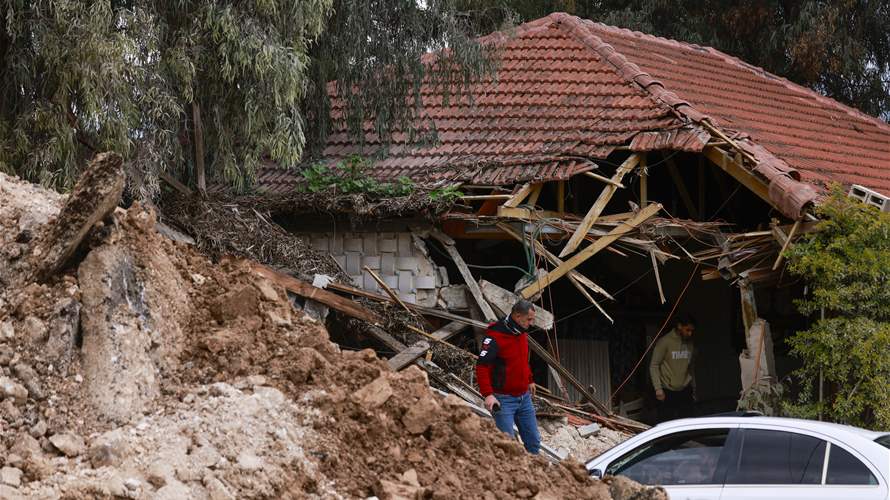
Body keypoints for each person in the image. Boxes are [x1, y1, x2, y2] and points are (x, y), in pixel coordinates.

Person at [475, 299, 541, 454]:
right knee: (507, 446)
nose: (531, 324)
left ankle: (534, 474)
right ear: (518, 316)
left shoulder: (521, 333)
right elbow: (482, 366)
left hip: (524, 397)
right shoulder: (495, 336)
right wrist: (488, 395)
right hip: (503, 400)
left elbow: (522, 360)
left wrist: (529, 379)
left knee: (534, 442)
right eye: (529, 319)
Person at [649, 313, 696, 422]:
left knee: (688, 422)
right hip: (667, 391)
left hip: (685, 390)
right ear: (679, 326)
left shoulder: (690, 343)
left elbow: (691, 367)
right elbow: (654, 365)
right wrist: (658, 389)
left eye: (692, 331)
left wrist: (694, 388)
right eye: (687, 330)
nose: (690, 333)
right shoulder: (665, 342)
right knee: (666, 423)